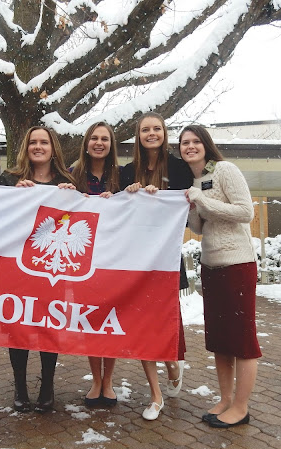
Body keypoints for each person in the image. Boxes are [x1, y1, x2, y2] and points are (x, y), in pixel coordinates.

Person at [180, 124, 260, 428]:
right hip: (211, 264)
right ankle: (225, 399)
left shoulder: (225, 170)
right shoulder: (196, 181)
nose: (190, 147)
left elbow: (245, 212)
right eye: (184, 143)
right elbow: (199, 228)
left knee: (242, 338)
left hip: (237, 264)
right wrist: (192, 206)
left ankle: (241, 406)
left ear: (206, 144)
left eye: (195, 141)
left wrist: (202, 200)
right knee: (220, 338)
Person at [120, 112, 193, 421]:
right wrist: (128, 195)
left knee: (166, 320)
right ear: (138, 136)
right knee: (142, 326)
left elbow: (185, 212)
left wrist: (161, 199)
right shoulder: (127, 172)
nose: (151, 134)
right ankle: (155, 395)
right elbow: (116, 210)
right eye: (145, 130)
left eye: (157, 129)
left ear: (164, 133)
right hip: (135, 260)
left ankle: (173, 363)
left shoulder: (179, 168)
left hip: (165, 259)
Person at [0, 126, 75, 413]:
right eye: (33, 142)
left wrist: (72, 196)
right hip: (18, 265)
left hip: (51, 267)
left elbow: (80, 215)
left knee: (49, 324)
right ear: (26, 147)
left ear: (53, 148)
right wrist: (12, 195)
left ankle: (47, 385)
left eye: (44, 142)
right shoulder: (9, 178)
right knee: (18, 324)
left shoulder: (66, 181)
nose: (38, 147)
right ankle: (20, 385)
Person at [70, 121, 120, 407]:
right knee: (89, 320)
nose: (99, 143)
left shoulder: (122, 175)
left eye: (105, 139)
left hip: (114, 258)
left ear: (111, 145)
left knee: (109, 321)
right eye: (94, 138)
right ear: (86, 143)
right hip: (84, 259)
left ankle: (109, 381)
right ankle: (96, 381)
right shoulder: (72, 173)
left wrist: (127, 194)